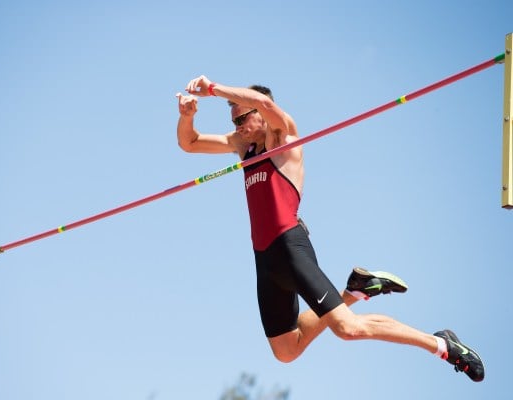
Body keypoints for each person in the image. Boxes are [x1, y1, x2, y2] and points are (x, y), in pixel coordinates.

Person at [175, 75, 484, 382]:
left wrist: (213, 89)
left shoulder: (283, 137)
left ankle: (442, 345)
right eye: (235, 122)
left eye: (242, 118)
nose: (238, 127)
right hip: (265, 259)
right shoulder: (243, 146)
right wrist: (187, 117)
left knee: (348, 329)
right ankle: (353, 292)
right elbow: (189, 143)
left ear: (260, 113)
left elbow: (264, 102)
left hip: (289, 247)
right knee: (285, 350)